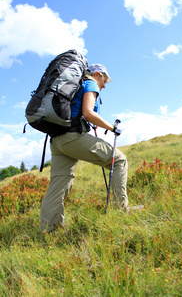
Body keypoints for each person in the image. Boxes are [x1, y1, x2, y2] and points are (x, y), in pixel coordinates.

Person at [40, 64, 129, 232]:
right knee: (118, 160)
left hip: (57, 140)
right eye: (104, 80)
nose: (104, 85)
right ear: (97, 74)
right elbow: (88, 113)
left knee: (58, 185)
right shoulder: (90, 83)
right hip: (72, 137)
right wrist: (112, 128)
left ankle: (49, 231)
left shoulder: (75, 85)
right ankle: (120, 213)